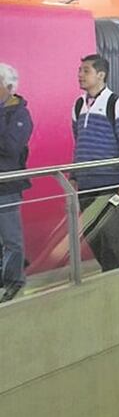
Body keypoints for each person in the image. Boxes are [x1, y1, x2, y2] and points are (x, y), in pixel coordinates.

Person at [71, 54, 119, 271]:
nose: (80, 75)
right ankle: (113, 271)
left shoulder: (117, 104)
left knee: (111, 236)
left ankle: (116, 275)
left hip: (110, 184)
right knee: (92, 235)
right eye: (80, 70)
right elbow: (78, 142)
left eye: (86, 70)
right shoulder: (78, 104)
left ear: (101, 74)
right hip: (86, 184)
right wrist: (74, 177)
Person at [0, 63, 31, 302]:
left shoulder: (19, 114)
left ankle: (14, 281)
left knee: (11, 237)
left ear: (8, 87)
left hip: (7, 186)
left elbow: (10, 148)